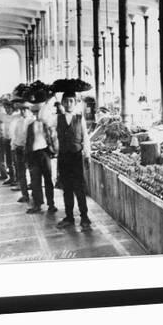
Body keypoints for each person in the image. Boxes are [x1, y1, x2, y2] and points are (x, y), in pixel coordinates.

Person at [54, 92, 92, 230]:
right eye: (66, 101)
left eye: (71, 101)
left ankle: (85, 218)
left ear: (75, 103)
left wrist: (87, 154)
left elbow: (85, 137)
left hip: (76, 156)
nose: (69, 104)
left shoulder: (79, 118)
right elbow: (50, 130)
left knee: (79, 188)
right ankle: (69, 217)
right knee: (67, 188)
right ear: (63, 103)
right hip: (63, 157)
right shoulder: (57, 118)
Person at [25, 103, 58, 214]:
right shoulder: (30, 126)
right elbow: (28, 142)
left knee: (48, 180)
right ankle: (37, 204)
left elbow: (53, 138)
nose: (37, 114)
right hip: (34, 155)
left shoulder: (47, 125)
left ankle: (51, 204)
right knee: (35, 180)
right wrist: (27, 158)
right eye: (35, 112)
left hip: (44, 153)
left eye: (38, 112)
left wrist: (53, 151)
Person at [11, 103, 34, 203]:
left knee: (33, 173)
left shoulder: (32, 121)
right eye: (21, 110)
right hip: (19, 149)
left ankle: (35, 193)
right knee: (21, 173)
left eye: (25, 109)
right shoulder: (18, 122)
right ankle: (25, 195)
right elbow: (15, 135)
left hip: (29, 150)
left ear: (29, 110)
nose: (23, 112)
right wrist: (14, 146)